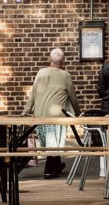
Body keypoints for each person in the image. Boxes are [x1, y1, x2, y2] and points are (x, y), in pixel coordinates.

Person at [23, 48, 80, 179]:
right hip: (57, 116)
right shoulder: (65, 75)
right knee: (54, 142)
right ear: (63, 61)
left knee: (52, 142)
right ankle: (49, 170)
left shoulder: (41, 72)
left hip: (40, 115)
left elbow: (33, 93)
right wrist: (78, 113)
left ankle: (57, 166)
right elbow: (72, 97)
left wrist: (26, 110)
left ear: (49, 60)